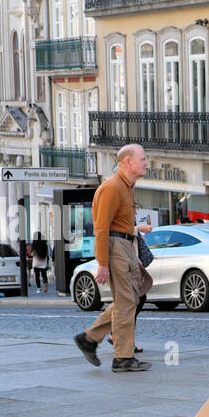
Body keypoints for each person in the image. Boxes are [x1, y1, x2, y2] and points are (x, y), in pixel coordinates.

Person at [72, 143, 153, 372]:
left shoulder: (127, 187)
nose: (146, 163)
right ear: (127, 161)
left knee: (130, 300)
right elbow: (101, 228)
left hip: (125, 247)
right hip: (116, 247)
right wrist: (103, 264)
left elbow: (122, 226)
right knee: (126, 302)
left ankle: (89, 338)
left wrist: (132, 249)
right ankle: (122, 358)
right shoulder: (112, 188)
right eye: (142, 159)